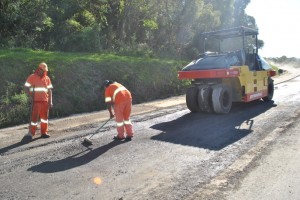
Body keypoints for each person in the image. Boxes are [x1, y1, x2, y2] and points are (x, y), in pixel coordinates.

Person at [23, 62, 53, 140]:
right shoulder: (32, 77)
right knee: (34, 119)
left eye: (44, 71)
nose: (44, 72)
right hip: (36, 101)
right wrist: (31, 95)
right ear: (39, 69)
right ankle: (31, 133)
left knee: (44, 119)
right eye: (43, 70)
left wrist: (50, 101)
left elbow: (49, 91)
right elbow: (26, 87)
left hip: (45, 102)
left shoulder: (47, 78)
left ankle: (44, 133)